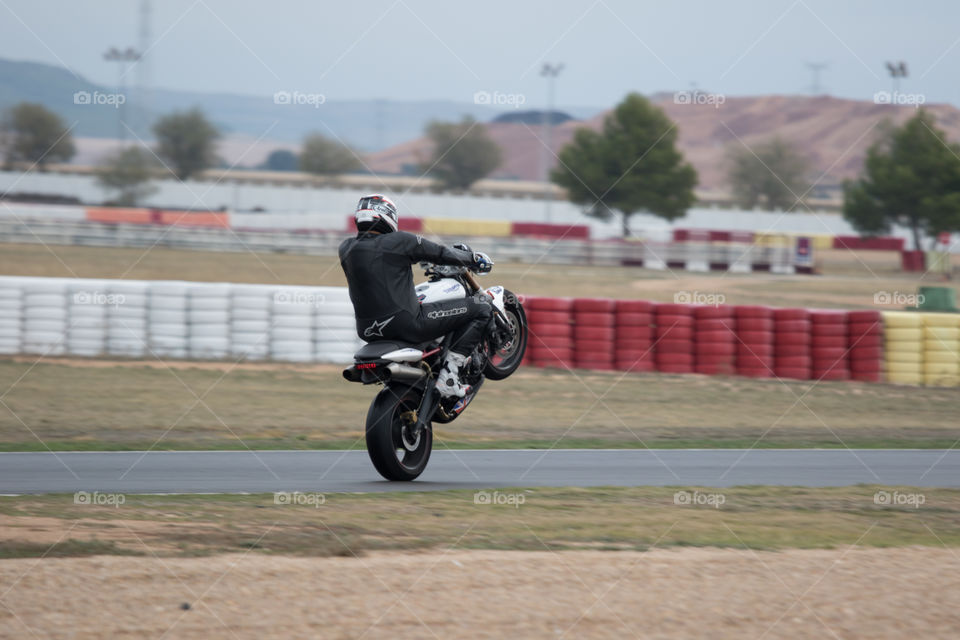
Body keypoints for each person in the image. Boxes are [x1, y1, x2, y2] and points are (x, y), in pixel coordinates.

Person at [339, 194, 494, 398]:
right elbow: (440, 253)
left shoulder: (346, 248)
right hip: (407, 323)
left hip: (368, 331)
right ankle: (449, 376)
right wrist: (472, 259)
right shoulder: (399, 241)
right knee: (482, 308)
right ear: (387, 215)